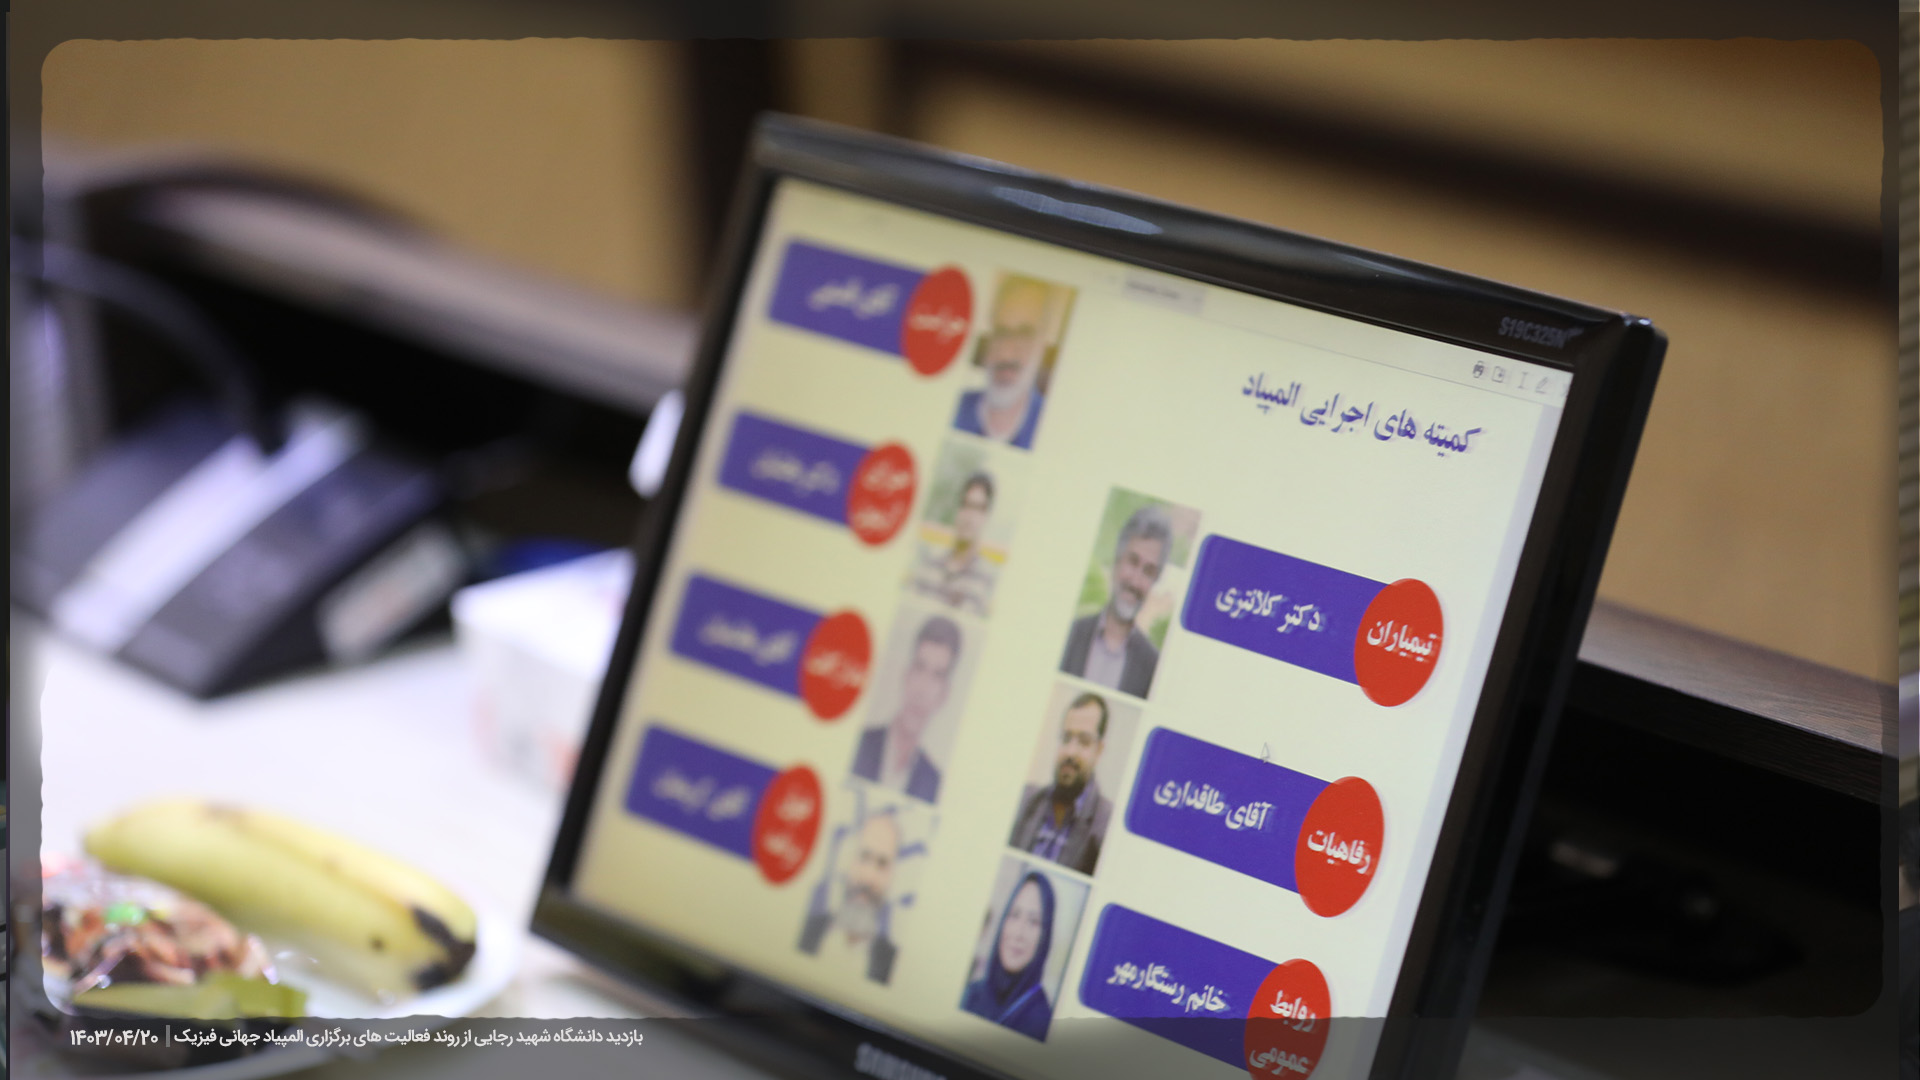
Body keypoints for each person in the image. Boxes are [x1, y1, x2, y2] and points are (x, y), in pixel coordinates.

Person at [1060, 504, 1172, 698]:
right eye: (1133, 561)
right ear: (1117, 560)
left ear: (1155, 580)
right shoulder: (1070, 634)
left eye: (1148, 571)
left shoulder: (1153, 667)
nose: (1135, 581)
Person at [852, 615, 961, 803]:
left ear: (944, 694)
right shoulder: (860, 744)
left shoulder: (934, 783)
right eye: (919, 668)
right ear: (906, 675)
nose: (922, 689)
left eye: (937, 675)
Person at [1008, 692, 1113, 875]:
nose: (1070, 752)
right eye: (1066, 738)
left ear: (1098, 750)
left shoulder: (1107, 826)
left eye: (1084, 741)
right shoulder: (1024, 801)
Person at [952, 277, 1059, 450]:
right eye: (1001, 332)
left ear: (1042, 343)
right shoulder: (955, 408)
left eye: (1025, 333)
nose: (1006, 352)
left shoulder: (1054, 424)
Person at [797, 811, 901, 984]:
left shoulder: (889, 961)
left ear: (893, 875)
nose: (868, 877)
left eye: (882, 863)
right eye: (864, 856)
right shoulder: (809, 930)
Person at [959, 871, 1057, 1040]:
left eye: (1033, 921)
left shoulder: (1042, 1024)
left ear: (1045, 936)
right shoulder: (971, 995)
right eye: (1014, 915)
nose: (1019, 933)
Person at [908, 470, 997, 615]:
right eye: (966, 505)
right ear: (958, 510)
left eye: (978, 508)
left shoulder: (988, 582)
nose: (970, 516)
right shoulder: (929, 563)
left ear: (986, 516)